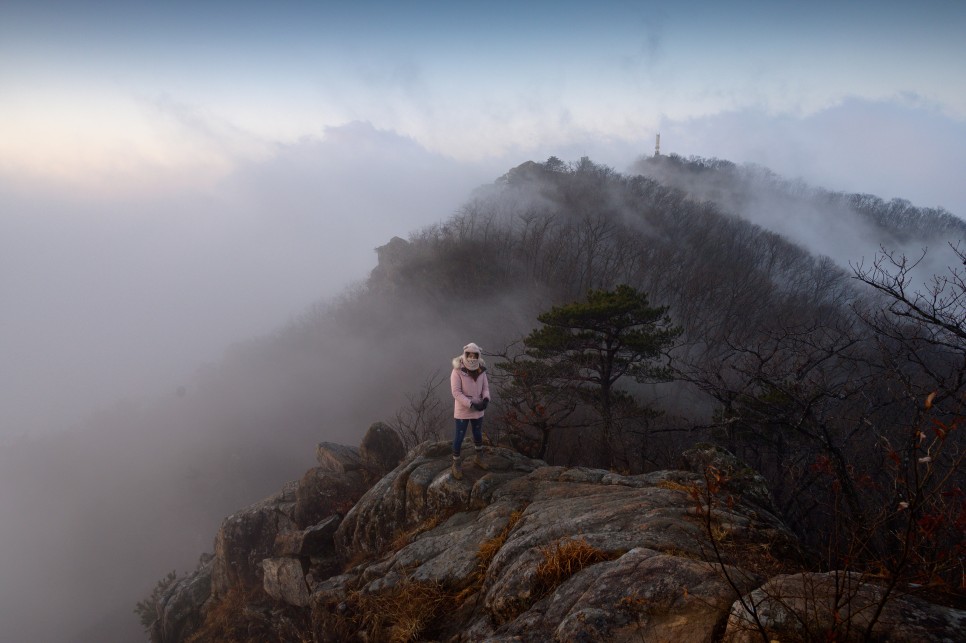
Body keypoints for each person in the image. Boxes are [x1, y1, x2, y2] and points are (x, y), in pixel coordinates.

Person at [450, 342, 490, 480]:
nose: (472, 358)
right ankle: (456, 463)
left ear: (478, 355)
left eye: (475, 355)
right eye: (469, 355)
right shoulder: (457, 370)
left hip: (478, 408)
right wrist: (470, 403)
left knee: (478, 433)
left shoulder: (481, 370)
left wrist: (485, 399)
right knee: (459, 436)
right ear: (465, 354)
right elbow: (456, 392)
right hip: (463, 409)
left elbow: (485, 388)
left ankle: (479, 458)